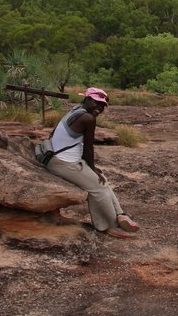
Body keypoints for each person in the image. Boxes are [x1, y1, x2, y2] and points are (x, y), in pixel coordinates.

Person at [45, 87, 140, 238]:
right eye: (97, 103)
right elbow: (88, 148)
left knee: (103, 180)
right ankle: (109, 226)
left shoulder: (75, 110)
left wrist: (92, 169)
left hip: (61, 157)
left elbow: (54, 132)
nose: (100, 108)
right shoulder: (88, 118)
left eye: (103, 106)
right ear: (87, 99)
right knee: (98, 189)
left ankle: (120, 215)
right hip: (63, 162)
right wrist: (92, 168)